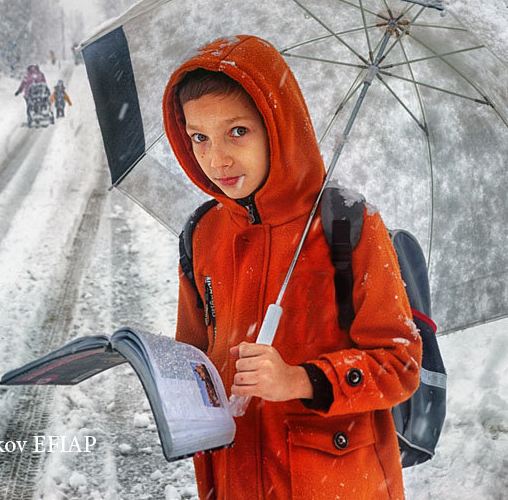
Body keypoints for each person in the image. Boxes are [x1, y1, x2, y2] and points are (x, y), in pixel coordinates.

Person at [162, 35, 423, 500]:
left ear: (277, 126)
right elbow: (194, 354)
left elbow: (400, 363)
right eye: (198, 136)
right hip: (233, 478)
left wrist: (300, 380)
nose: (215, 158)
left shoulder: (348, 224)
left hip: (334, 482)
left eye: (237, 132)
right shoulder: (202, 233)